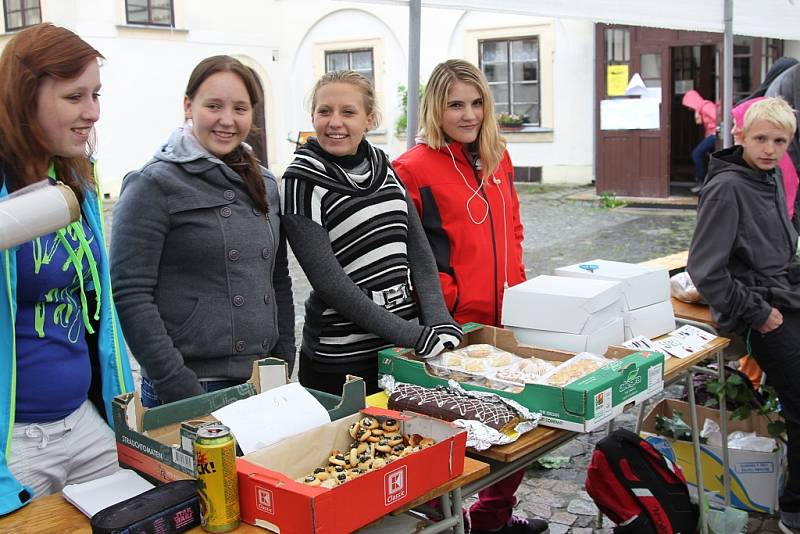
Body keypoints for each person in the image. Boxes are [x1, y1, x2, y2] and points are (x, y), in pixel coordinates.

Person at [393, 59, 546, 534]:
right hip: (455, 324)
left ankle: (492, 519)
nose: (468, 114)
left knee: (520, 425)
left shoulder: (499, 157)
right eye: (455, 104)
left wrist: (517, 284)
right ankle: (448, 522)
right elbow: (407, 251)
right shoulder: (412, 168)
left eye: (476, 102)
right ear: (435, 108)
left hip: (505, 317)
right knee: (456, 432)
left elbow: (514, 227)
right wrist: (447, 300)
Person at [0, 23, 135, 511]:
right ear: (25, 96)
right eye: (74, 96)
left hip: (83, 422)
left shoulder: (76, 177)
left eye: (95, 94)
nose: (92, 112)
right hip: (15, 446)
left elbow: (99, 310)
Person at [110, 56, 294, 406]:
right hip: (191, 385)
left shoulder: (266, 183)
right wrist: (175, 382)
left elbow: (277, 278)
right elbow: (131, 292)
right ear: (188, 106)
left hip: (263, 381)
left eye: (240, 108)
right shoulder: (153, 184)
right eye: (214, 106)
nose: (227, 120)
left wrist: (284, 356)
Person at [281, 70, 462, 396]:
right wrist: (412, 334)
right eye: (325, 111)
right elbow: (331, 284)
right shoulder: (300, 181)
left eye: (348, 112)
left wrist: (437, 317)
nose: (335, 122)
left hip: (401, 353)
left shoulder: (384, 165)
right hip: (340, 360)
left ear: (370, 118)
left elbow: (418, 249)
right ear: (313, 117)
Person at [686, 97, 800, 534]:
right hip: (754, 313)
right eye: (761, 139)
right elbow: (705, 270)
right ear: (740, 136)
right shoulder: (728, 187)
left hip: (783, 298)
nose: (770, 149)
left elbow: (779, 251)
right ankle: (793, 511)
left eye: (779, 141)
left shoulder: (770, 179)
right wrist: (760, 313)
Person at [681, 89, 717, 194]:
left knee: (696, 154)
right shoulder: (702, 108)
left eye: (689, 105)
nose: (689, 108)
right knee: (705, 157)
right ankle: (705, 182)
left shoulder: (706, 107)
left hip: (714, 135)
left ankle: (701, 181)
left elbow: (717, 119)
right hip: (712, 136)